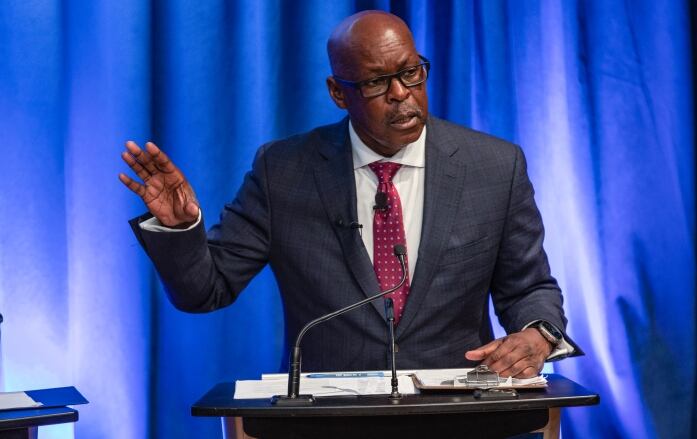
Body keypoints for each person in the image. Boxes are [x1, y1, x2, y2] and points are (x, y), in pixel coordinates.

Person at [120, 11, 582, 377]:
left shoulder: (495, 167)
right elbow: (206, 292)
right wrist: (181, 228)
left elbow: (530, 286)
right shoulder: (283, 171)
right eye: (377, 82)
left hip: (458, 414)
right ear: (339, 93)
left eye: (412, 73)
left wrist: (538, 335)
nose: (402, 94)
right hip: (327, 420)